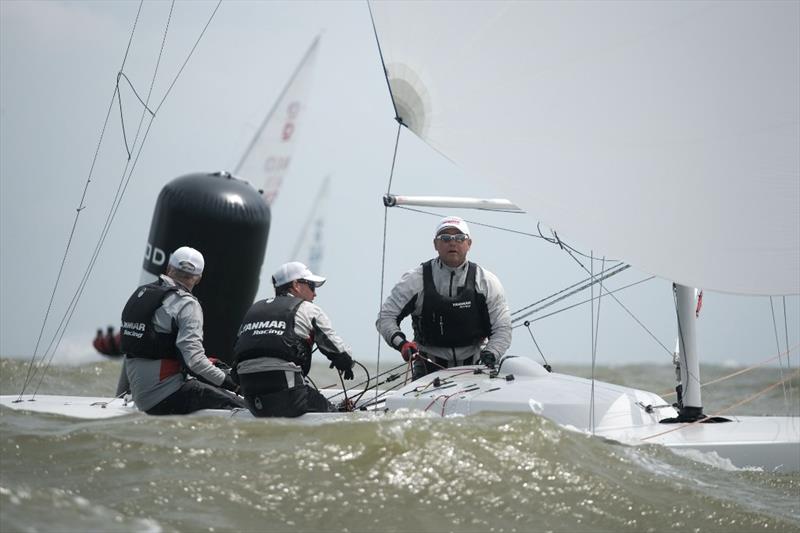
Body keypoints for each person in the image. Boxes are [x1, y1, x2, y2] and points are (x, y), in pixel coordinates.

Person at [376, 216, 512, 377]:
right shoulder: (414, 280)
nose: (452, 242)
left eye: (459, 238)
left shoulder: (487, 282)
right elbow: (386, 317)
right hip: (427, 368)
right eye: (445, 238)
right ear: (435, 244)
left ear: (469, 244)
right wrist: (402, 344)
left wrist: (492, 353)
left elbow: (502, 328)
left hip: (476, 367)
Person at [120, 246, 245, 415]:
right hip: (164, 397)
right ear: (199, 278)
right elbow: (194, 362)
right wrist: (233, 384)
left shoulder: (141, 293)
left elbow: (157, 346)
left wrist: (211, 364)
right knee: (245, 408)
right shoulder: (187, 304)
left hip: (139, 396)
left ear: (169, 268)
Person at [233, 261, 356, 417]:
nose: (315, 294)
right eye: (312, 286)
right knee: (334, 411)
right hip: (289, 397)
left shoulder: (253, 310)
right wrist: (345, 363)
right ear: (296, 285)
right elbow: (341, 353)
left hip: (251, 399)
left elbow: (237, 357)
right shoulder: (308, 309)